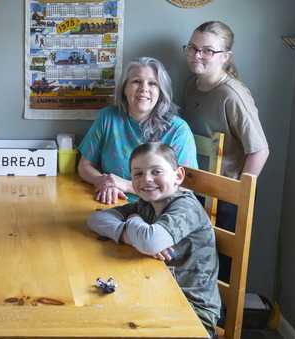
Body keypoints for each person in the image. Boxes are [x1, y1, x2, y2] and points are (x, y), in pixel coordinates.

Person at [87, 142, 221, 338]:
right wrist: (130, 235)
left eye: (156, 171)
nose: (146, 179)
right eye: (138, 173)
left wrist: (133, 221)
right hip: (156, 293)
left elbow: (151, 242)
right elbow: (96, 219)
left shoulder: (185, 207)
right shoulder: (147, 204)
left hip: (192, 313)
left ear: (178, 176)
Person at [78, 57, 198, 204]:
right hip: (112, 204)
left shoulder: (178, 130)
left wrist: (127, 185)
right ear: (125, 89)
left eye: (153, 83)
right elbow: (84, 166)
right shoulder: (107, 117)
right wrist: (104, 181)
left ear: (161, 91)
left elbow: (185, 188)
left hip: (160, 212)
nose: (144, 89)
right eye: (136, 82)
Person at [183, 21, 269, 181]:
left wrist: (240, 192)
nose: (197, 55)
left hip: (224, 193)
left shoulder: (232, 95)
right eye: (192, 47)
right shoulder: (190, 85)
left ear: (225, 57)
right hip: (194, 184)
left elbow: (260, 150)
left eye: (208, 51)